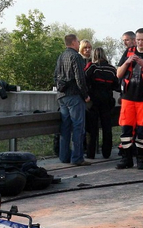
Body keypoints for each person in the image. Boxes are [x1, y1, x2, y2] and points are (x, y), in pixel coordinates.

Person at [115, 28, 143, 169]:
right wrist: (127, 62)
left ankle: (141, 158)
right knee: (126, 130)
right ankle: (126, 158)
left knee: (142, 130)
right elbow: (118, 74)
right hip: (128, 97)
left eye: (142, 39)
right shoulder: (128, 52)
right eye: (138, 39)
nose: (140, 42)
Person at [54, 34, 90, 165]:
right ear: (74, 42)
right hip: (74, 96)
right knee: (78, 127)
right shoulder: (76, 56)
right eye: (78, 42)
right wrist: (85, 95)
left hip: (62, 95)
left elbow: (55, 76)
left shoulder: (61, 56)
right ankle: (77, 158)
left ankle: (64, 157)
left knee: (65, 127)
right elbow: (80, 78)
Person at [85, 47, 119, 159]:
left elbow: (84, 78)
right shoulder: (111, 69)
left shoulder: (92, 67)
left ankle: (91, 153)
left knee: (92, 128)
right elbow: (117, 86)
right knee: (107, 127)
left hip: (94, 100)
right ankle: (106, 152)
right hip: (107, 100)